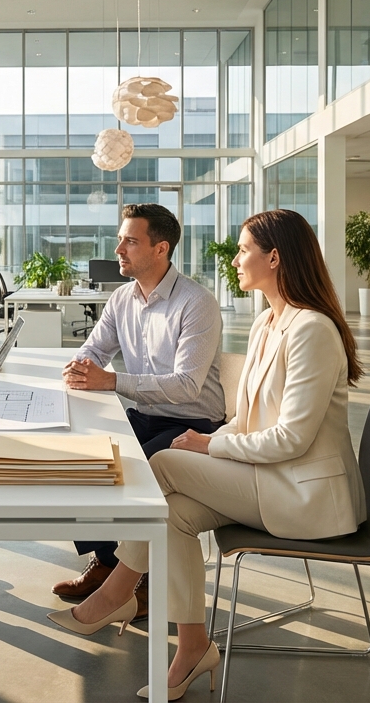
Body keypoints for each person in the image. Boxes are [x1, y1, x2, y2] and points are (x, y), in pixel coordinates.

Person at [47, 208, 367, 701]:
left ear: (275, 258)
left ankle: (115, 594)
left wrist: (209, 443)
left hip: (303, 494)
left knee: (161, 464)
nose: (234, 259)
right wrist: (214, 443)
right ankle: (192, 645)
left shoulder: (312, 331)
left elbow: (291, 440)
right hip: (267, 476)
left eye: (243, 250)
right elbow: (247, 415)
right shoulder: (267, 322)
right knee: (170, 511)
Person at [54, 203, 227, 621]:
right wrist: (82, 366)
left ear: (161, 248)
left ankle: (140, 583)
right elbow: (95, 348)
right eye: (121, 239)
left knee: (132, 477)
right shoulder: (121, 298)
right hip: (146, 414)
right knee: (88, 466)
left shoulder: (196, 303)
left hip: (193, 425)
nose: (119, 249)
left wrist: (111, 381)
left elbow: (186, 385)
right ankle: (110, 565)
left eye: (130, 241)